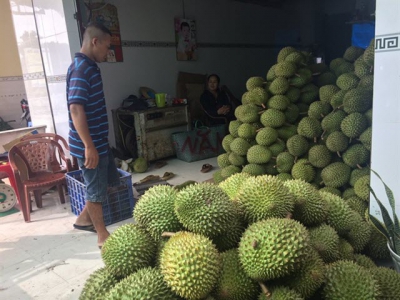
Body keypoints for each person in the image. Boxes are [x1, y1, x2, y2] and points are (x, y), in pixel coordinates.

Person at [66, 22, 120, 249]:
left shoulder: (89, 65)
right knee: (95, 190)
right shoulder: (81, 68)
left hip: (98, 141)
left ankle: (83, 220)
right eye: (107, 47)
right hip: (90, 144)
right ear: (94, 41)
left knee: (105, 182)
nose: (107, 53)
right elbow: (76, 108)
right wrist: (89, 146)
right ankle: (102, 235)